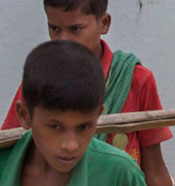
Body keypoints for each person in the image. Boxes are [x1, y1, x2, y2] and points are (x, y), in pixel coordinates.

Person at [1, 0, 172, 186]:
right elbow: (11, 143)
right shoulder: (39, 82)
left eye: (75, 29)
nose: (63, 41)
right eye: (54, 28)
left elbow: (155, 168)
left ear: (104, 23)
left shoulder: (135, 80)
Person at [0, 40, 146, 185]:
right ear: (25, 115)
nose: (70, 146)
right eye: (55, 127)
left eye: (83, 127)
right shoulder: (3, 165)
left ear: (98, 115)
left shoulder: (120, 174)